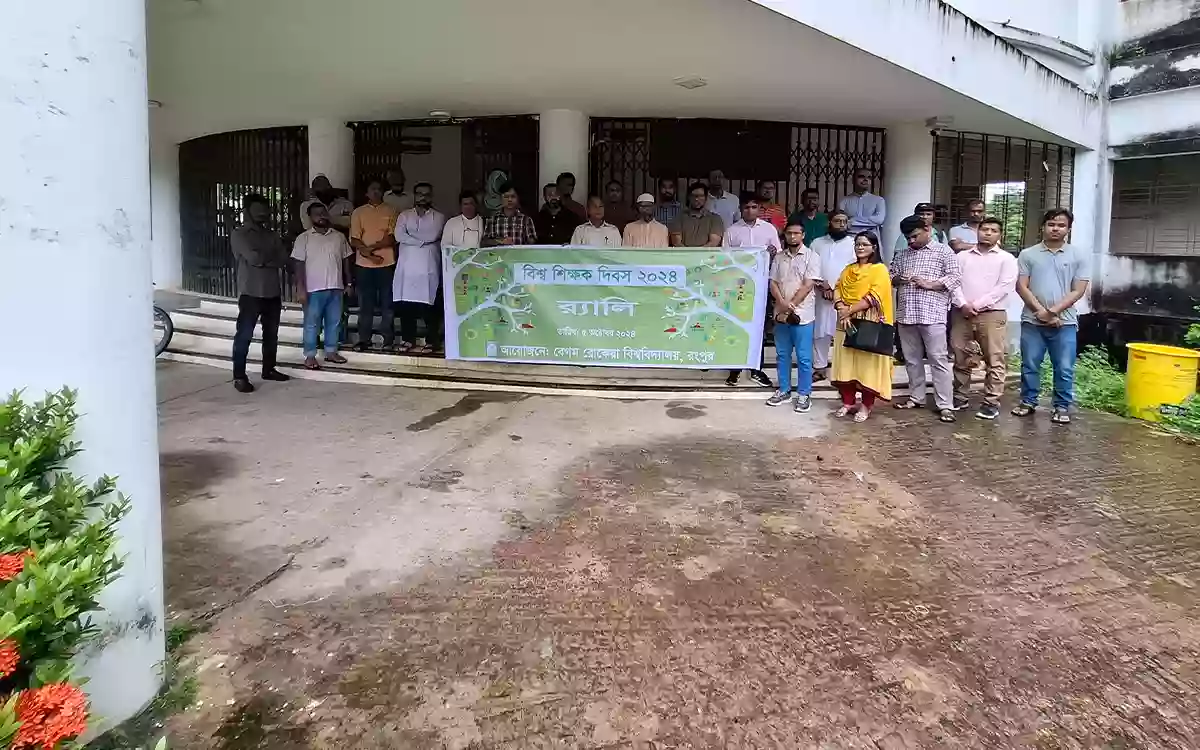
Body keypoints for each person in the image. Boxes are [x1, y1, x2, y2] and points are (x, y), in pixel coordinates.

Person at [1012, 208, 1091, 425]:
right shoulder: (1028, 254)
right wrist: (1040, 312)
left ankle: (1062, 406)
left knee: (1064, 367)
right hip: (1032, 321)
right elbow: (1021, 286)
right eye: (1051, 224)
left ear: (1068, 229)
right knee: (1029, 364)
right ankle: (1028, 401)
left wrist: (1052, 312)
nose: (1055, 229)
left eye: (1061, 225)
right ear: (1043, 226)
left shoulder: (1078, 255)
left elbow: (1078, 290)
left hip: (1064, 322)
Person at [890, 214, 962, 422]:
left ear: (927, 230)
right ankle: (916, 397)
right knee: (912, 360)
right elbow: (890, 275)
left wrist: (931, 284)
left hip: (933, 314)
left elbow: (955, 277)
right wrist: (898, 279)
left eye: (914, 236)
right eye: (908, 238)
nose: (911, 241)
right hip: (906, 313)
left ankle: (945, 404)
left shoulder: (944, 251)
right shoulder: (902, 254)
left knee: (938, 359)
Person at [951, 216, 1017, 421]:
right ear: (977, 231)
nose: (988, 233)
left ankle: (991, 401)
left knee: (994, 358)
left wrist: (977, 306)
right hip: (961, 313)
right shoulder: (962, 256)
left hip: (991, 314)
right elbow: (953, 282)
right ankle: (960, 397)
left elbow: (1004, 287)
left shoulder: (1006, 259)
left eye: (993, 230)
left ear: (1000, 235)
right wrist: (963, 304)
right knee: (960, 356)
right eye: (984, 229)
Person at [229, 193, 291, 393]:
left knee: (271, 334)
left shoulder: (272, 235)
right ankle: (239, 376)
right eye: (258, 210)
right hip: (250, 293)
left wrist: (265, 257)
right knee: (244, 335)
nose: (263, 213)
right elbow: (254, 258)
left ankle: (269, 369)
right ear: (246, 211)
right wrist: (267, 257)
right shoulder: (239, 234)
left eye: (265, 210)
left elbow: (282, 259)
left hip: (272, 292)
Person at [830, 232, 894, 422]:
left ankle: (866, 406)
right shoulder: (848, 269)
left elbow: (874, 296)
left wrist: (848, 310)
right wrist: (841, 308)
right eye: (857, 244)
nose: (860, 247)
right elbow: (838, 288)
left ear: (874, 247)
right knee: (845, 365)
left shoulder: (879, 269)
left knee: (868, 367)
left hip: (868, 324)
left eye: (865, 244)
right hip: (846, 324)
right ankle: (848, 402)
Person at [722, 192, 782, 388]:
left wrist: (772, 254)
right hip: (738, 285)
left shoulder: (769, 229)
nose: (750, 210)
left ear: (759, 209)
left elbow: (779, 255)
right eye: (746, 207)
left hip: (761, 285)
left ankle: (757, 368)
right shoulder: (732, 231)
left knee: (760, 327)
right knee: (737, 325)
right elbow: (725, 258)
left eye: (754, 207)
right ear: (740, 209)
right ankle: (735, 369)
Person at [765, 221, 822, 412]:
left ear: (803, 235)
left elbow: (808, 285)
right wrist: (782, 303)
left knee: (804, 358)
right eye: (789, 233)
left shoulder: (812, 257)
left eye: (796, 233)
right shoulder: (779, 257)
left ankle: (804, 394)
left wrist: (792, 305)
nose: (792, 237)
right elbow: (772, 283)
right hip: (781, 313)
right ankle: (784, 390)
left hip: (803, 314)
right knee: (782, 355)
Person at [292, 203, 353, 370]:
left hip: (336, 287)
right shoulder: (303, 238)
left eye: (323, 212)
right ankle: (310, 355)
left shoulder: (339, 237)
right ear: (310, 218)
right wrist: (300, 288)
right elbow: (298, 265)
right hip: (313, 289)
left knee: (334, 322)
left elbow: (346, 260)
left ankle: (331, 352)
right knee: (312, 323)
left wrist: (348, 283)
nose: (322, 216)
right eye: (317, 214)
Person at [393, 182, 446, 354]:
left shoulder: (438, 217)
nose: (423, 197)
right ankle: (408, 339)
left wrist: (411, 238)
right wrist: (422, 242)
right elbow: (398, 235)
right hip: (407, 269)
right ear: (414, 196)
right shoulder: (404, 215)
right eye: (419, 194)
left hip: (428, 268)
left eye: (426, 194)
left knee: (429, 307)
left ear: (431, 196)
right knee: (407, 307)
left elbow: (433, 235)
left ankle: (432, 341)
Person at [349, 179, 399, 352]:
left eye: (379, 189)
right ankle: (364, 340)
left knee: (387, 305)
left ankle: (388, 341)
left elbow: (392, 237)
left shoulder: (392, 211)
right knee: (365, 304)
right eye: (373, 189)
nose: (376, 192)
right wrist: (369, 254)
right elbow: (354, 239)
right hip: (364, 266)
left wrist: (371, 249)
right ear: (366, 193)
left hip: (387, 264)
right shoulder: (358, 212)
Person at [810, 210, 857, 380]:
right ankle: (820, 367)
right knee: (820, 332)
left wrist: (837, 290)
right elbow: (811, 267)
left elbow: (855, 270)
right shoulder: (817, 243)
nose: (842, 225)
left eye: (845, 221)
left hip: (845, 296)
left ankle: (843, 369)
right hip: (821, 294)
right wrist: (823, 286)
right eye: (837, 221)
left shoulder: (853, 244)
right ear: (829, 222)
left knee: (843, 332)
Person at [669, 182, 724, 247]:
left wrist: (698, 255)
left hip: (707, 256)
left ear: (706, 198)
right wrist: (689, 255)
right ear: (689, 197)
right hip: (684, 255)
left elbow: (713, 243)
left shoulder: (715, 219)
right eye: (694, 196)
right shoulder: (679, 218)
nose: (697, 199)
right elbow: (676, 242)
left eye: (701, 196)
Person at [838, 168, 886, 238]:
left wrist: (853, 219)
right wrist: (870, 220)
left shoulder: (879, 200)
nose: (865, 179)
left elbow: (879, 220)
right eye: (861, 176)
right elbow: (841, 221)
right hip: (848, 239)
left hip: (871, 240)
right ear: (853, 180)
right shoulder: (844, 201)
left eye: (869, 177)